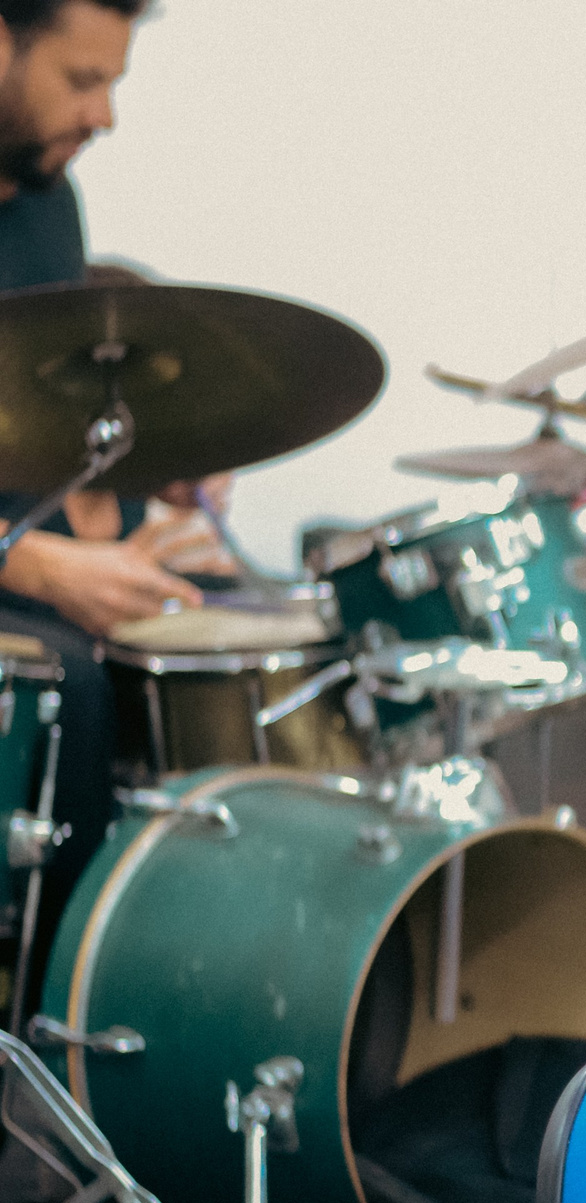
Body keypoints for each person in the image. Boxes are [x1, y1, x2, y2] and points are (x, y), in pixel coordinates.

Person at [0, 0, 222, 985]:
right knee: (70, 681)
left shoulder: (47, 206)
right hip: (16, 581)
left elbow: (37, 429)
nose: (105, 116)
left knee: (219, 621)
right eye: (83, 81)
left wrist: (161, 461)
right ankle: (55, 1014)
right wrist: (37, 562)